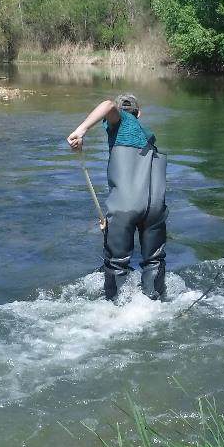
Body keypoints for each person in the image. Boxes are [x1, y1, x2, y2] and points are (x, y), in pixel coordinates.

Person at [67, 94, 168, 301]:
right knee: (154, 261)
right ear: (139, 114)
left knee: (116, 262)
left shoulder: (119, 122)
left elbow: (107, 105)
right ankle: (155, 302)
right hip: (155, 210)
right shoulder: (149, 139)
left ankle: (116, 309)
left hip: (125, 209)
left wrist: (81, 130)